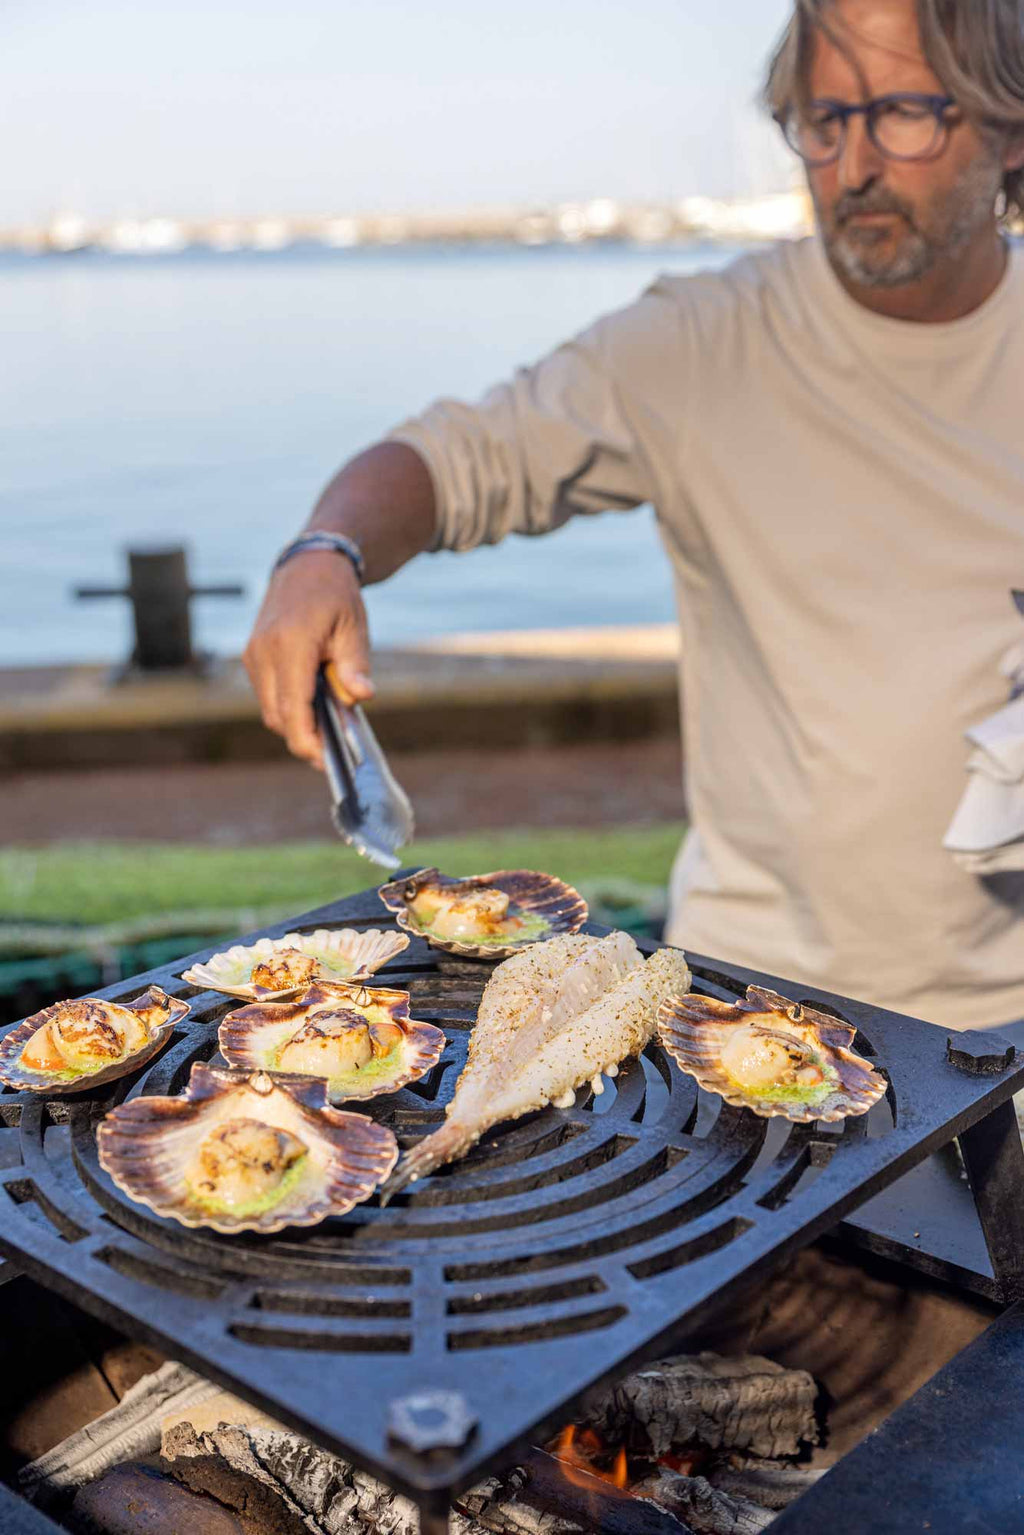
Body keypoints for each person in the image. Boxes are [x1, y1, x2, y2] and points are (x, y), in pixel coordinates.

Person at [244, 0, 1024, 1032]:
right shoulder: (699, 345)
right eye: (821, 119)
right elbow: (448, 458)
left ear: (1007, 126)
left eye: (903, 114)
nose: (851, 163)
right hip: (745, 1001)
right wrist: (324, 550)